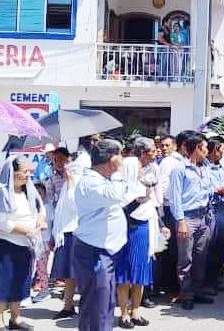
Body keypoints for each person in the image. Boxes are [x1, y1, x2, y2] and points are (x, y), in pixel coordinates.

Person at [73, 139, 143, 331]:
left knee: (104, 304)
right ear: (111, 159)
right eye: (119, 156)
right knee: (97, 305)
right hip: (94, 251)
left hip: (105, 250)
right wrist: (119, 172)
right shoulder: (91, 182)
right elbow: (114, 195)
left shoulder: (101, 181)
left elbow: (117, 203)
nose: (122, 160)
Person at [117, 137, 166, 328]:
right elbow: (123, 194)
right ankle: (123, 313)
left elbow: (156, 199)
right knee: (125, 270)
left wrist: (161, 223)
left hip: (145, 222)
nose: (156, 152)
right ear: (143, 152)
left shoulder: (154, 168)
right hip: (127, 223)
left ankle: (136, 310)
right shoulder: (129, 164)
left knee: (141, 268)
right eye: (153, 149)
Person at [169, 133, 218, 310]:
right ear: (197, 148)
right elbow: (175, 198)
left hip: (204, 216)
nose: (207, 151)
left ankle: (197, 290)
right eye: (204, 148)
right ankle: (186, 294)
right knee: (186, 259)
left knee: (200, 256)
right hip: (188, 218)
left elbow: (211, 189)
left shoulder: (205, 168)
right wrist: (180, 221)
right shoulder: (180, 169)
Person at [0, 156, 47, 331]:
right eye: (24, 171)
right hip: (7, 245)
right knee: (4, 284)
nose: (28, 175)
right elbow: (3, 222)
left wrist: (40, 221)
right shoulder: (2, 193)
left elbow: (40, 208)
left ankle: (15, 318)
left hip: (26, 245)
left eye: (29, 171)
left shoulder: (29, 191)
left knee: (20, 282)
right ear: (12, 172)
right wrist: (27, 231)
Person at [50, 148, 81, 320]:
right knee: (69, 272)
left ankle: (84, 304)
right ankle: (68, 306)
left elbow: (75, 205)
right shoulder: (59, 181)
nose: (60, 164)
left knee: (78, 271)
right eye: (56, 160)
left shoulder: (78, 181)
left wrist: (70, 182)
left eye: (63, 160)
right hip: (65, 231)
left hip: (77, 231)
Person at [205, 136, 224, 293]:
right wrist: (221, 190)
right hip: (212, 210)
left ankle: (218, 278)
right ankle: (208, 282)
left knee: (222, 246)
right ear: (214, 150)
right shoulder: (205, 169)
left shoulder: (222, 167)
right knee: (210, 247)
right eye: (222, 149)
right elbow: (209, 189)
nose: (223, 152)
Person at [157, 133, 185, 297]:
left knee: (172, 248)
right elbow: (162, 187)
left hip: (170, 208)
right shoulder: (168, 161)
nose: (164, 148)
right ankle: (170, 285)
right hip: (168, 208)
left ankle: (169, 285)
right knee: (170, 248)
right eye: (162, 146)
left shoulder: (170, 161)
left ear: (175, 146)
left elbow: (163, 187)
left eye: (167, 145)